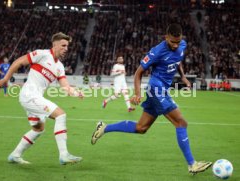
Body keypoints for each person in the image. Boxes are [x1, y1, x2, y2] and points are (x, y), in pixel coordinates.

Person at [91, 24, 212, 174]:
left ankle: (104, 128)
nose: (175, 45)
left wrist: (183, 77)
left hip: (163, 90)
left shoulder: (182, 45)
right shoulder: (156, 52)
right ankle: (192, 164)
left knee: (141, 128)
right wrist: (137, 93)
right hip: (156, 89)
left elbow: (178, 60)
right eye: (172, 42)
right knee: (181, 122)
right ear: (166, 37)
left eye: (178, 42)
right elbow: (138, 73)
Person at [0, 32, 84, 165]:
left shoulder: (59, 67)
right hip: (29, 95)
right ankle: (64, 154)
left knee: (38, 129)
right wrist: (6, 79)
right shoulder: (42, 54)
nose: (66, 48)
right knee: (61, 115)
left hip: (35, 98)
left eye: (67, 46)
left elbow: (65, 86)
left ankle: (15, 155)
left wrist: (76, 93)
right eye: (63, 45)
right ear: (54, 45)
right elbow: (19, 61)